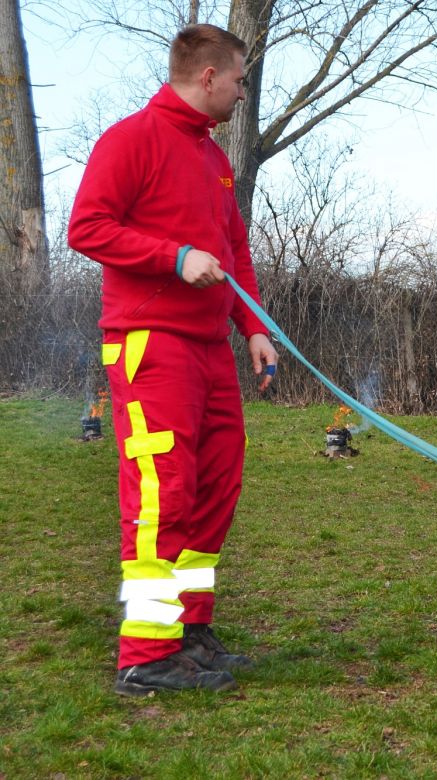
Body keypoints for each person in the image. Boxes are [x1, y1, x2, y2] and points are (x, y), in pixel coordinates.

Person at [68, 24, 277, 696]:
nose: (245, 93)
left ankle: (189, 632)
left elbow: (235, 250)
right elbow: (87, 227)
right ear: (209, 76)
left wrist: (254, 329)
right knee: (162, 495)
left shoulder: (213, 158)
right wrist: (173, 257)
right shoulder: (131, 139)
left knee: (214, 488)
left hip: (211, 347)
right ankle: (145, 655)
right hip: (150, 342)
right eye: (240, 80)